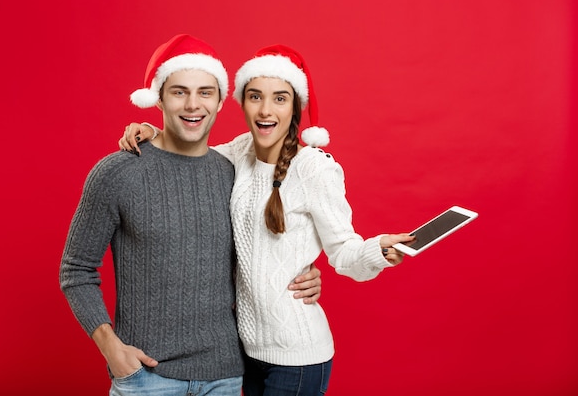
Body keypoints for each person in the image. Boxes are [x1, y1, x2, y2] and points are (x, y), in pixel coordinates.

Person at [120, 44, 414, 396]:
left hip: (298, 356)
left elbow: (344, 252)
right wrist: (153, 131)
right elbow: (188, 150)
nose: (265, 109)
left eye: (279, 99)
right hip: (246, 354)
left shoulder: (314, 168)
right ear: (242, 103)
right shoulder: (238, 152)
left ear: (294, 108)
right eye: (255, 96)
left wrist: (377, 252)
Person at [60, 34, 322, 396]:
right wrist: (111, 348)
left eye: (205, 92)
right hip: (146, 377)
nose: (192, 104)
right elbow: (76, 269)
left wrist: (303, 271)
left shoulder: (233, 172)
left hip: (226, 375)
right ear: (159, 98)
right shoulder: (118, 172)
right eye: (179, 92)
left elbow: (262, 250)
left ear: (218, 103)